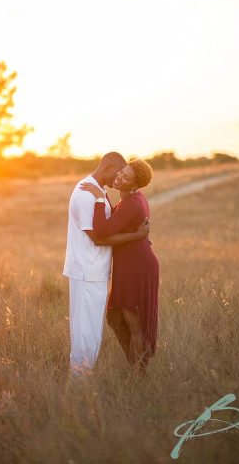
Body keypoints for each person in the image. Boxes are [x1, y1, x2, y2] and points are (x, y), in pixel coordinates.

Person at [62, 152, 149, 377]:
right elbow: (98, 237)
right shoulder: (85, 193)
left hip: (96, 271)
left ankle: (83, 376)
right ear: (108, 167)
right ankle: (79, 379)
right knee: (84, 331)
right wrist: (136, 236)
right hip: (86, 271)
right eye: (118, 173)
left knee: (92, 330)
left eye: (124, 174)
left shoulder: (99, 191)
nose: (117, 179)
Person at [80, 158, 158, 371]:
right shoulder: (132, 199)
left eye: (126, 176)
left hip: (136, 265)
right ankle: (137, 366)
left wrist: (98, 198)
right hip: (130, 263)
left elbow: (103, 232)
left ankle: (139, 375)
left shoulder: (132, 203)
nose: (119, 176)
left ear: (134, 185)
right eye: (122, 171)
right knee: (116, 317)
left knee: (134, 324)